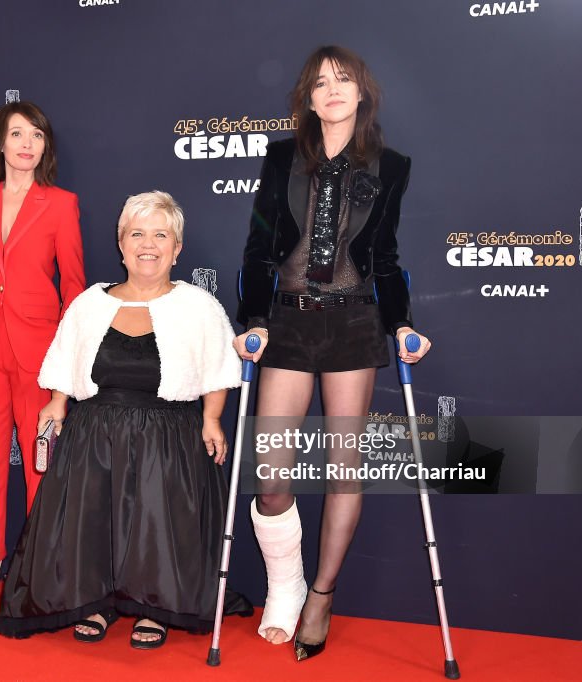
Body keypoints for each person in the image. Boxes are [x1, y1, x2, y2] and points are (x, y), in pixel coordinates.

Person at [234, 46, 433, 661]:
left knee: (345, 466)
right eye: (320, 83)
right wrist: (254, 319)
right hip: (288, 326)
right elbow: (259, 249)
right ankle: (285, 582)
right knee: (271, 477)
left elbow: (388, 257)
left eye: (342, 80)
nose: (332, 90)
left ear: (362, 93)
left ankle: (321, 594)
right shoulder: (280, 158)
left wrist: (401, 323)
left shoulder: (392, 166)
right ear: (308, 98)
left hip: (352, 325)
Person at [0, 191, 252, 648]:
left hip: (167, 434)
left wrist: (212, 420)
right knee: (94, 520)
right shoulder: (89, 303)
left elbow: (218, 370)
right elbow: (64, 363)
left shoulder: (199, 306)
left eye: (160, 234)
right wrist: (55, 404)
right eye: (137, 234)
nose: (147, 244)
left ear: (177, 248)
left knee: (155, 522)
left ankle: (152, 607)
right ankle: (96, 599)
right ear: (120, 244)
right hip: (95, 431)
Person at [0, 101, 86, 610]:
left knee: (40, 466)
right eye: (17, 134)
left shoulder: (61, 203)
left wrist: (68, 362)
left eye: (36, 136)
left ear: (45, 146)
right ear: (0, 143)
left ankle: (35, 570)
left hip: (40, 354)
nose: (27, 144)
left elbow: (73, 287)